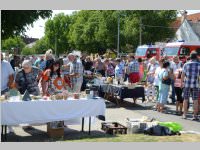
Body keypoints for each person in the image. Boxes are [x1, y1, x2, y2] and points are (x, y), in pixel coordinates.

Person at [181, 51, 200, 120]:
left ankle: (184, 115)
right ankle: (195, 116)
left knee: (185, 99)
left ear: (190, 56)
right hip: (196, 84)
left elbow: (183, 74)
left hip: (187, 84)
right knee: (195, 100)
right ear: (196, 57)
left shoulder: (186, 64)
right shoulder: (199, 64)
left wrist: (181, 83)